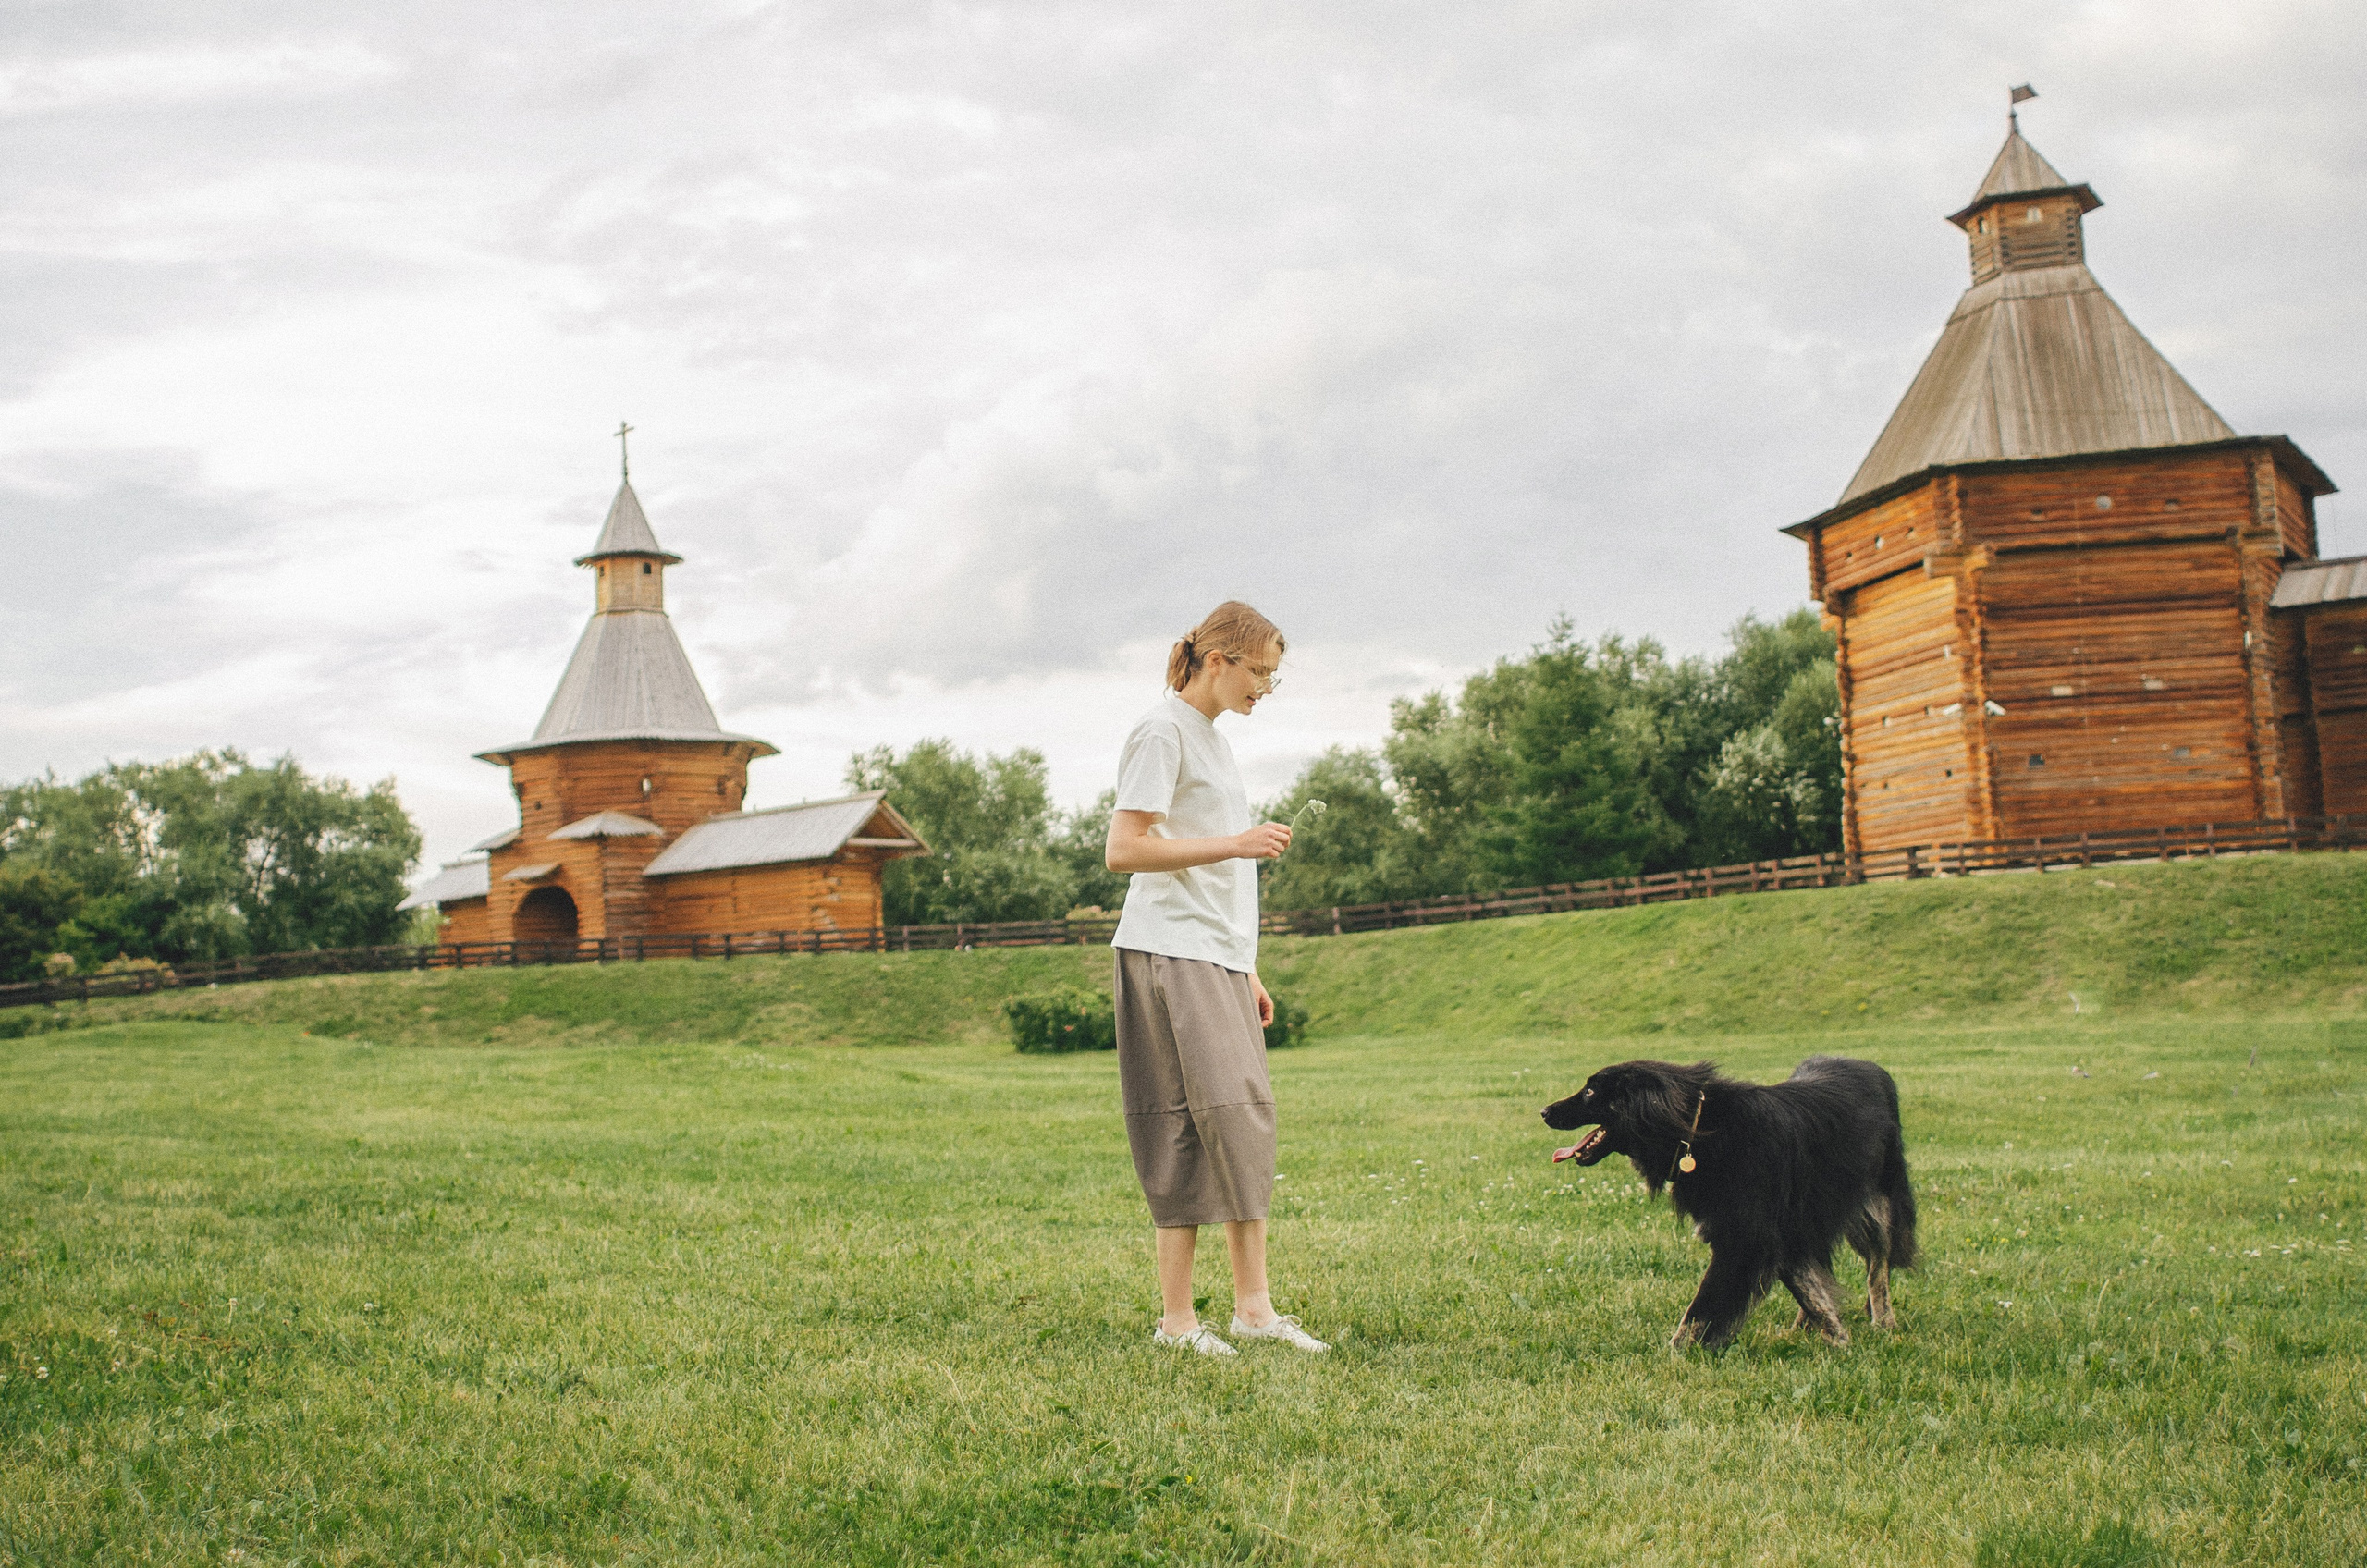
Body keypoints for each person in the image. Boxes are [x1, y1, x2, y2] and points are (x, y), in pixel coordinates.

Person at [1104, 600, 1330, 1357]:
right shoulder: (1161, 730)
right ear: (1217, 660)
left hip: (1215, 956)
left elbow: (1211, 881)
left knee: (1242, 1119)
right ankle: (1177, 1324)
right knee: (1185, 1123)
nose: (1265, 686)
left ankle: (1254, 1310)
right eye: (1259, 671)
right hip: (1167, 952)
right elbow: (1124, 850)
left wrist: (1248, 967)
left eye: (1272, 676)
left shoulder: (1210, 738)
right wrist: (1236, 840)